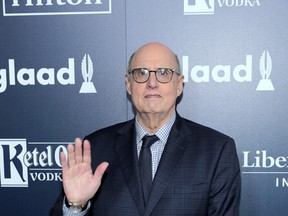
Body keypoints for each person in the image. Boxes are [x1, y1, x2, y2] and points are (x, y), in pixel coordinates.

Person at [50, 42, 241, 216]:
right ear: (128, 84)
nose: (152, 83)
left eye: (163, 73)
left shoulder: (217, 150)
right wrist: (76, 205)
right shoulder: (94, 148)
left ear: (179, 85)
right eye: (141, 73)